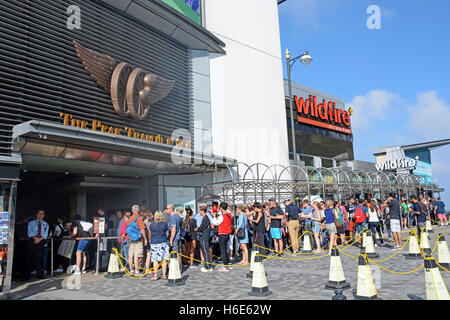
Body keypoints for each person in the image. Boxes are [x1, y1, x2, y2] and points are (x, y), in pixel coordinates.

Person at [25, 210, 49, 279]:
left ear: (44, 215)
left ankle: (40, 274)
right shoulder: (31, 223)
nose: (41, 215)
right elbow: (29, 232)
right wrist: (35, 238)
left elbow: (45, 234)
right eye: (39, 213)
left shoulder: (46, 224)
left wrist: (39, 239)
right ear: (36, 214)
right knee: (29, 257)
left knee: (39, 258)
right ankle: (27, 275)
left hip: (41, 241)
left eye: (42, 214)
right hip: (32, 240)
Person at [212, 202, 233, 272]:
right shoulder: (229, 215)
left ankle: (225, 265)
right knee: (226, 249)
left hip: (222, 233)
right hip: (228, 234)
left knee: (223, 250)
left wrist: (214, 217)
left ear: (221, 208)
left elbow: (215, 223)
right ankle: (228, 263)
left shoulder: (222, 216)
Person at [127, 205, 148, 275]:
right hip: (139, 239)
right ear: (139, 210)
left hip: (131, 239)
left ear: (132, 211)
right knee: (137, 255)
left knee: (130, 255)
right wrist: (145, 239)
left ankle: (131, 270)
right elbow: (142, 229)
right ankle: (136, 270)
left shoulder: (129, 219)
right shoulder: (139, 218)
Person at [149, 211, 169, 280]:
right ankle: (164, 275)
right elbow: (166, 231)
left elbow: (151, 232)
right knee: (164, 259)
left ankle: (155, 276)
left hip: (154, 242)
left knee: (155, 260)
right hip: (163, 242)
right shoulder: (165, 224)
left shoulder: (152, 225)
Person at [196, 205, 213, 272]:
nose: (199, 212)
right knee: (204, 250)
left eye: (200, 210)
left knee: (205, 251)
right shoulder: (204, 217)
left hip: (204, 236)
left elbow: (202, 227)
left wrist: (197, 229)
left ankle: (208, 267)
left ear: (203, 211)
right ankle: (206, 265)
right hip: (203, 236)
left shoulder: (206, 218)